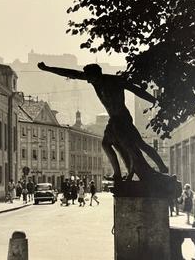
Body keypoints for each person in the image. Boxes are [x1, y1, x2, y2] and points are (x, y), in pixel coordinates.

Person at [38, 62, 168, 182]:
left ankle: (161, 167)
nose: (88, 81)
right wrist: (48, 68)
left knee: (138, 145)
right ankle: (117, 173)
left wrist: (154, 100)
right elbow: (72, 73)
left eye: (90, 78)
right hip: (113, 119)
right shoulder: (95, 80)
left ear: (97, 74)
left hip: (123, 118)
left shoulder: (115, 80)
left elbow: (137, 90)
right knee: (106, 144)